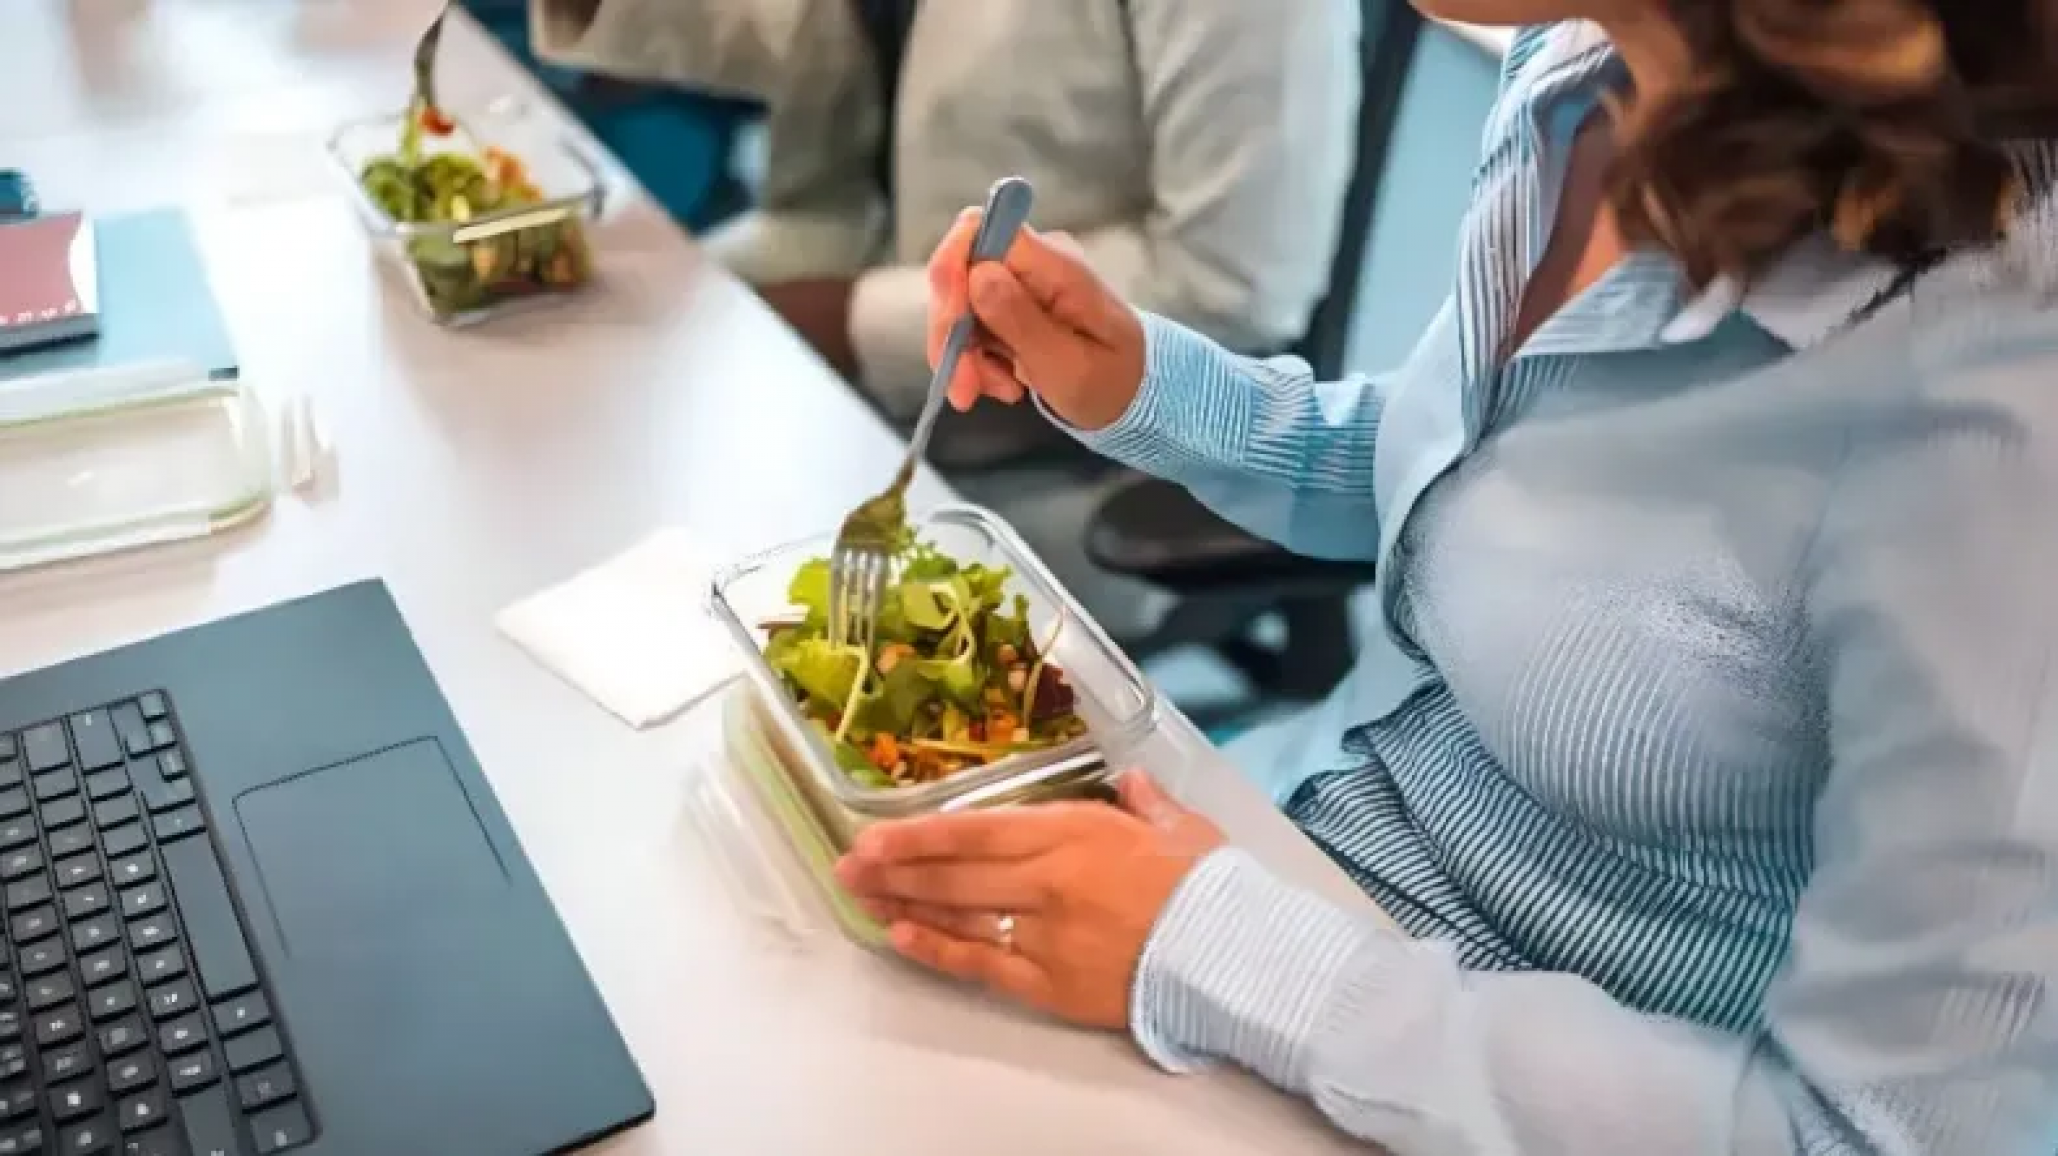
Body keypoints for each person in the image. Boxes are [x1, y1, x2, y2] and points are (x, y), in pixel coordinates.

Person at [832, 7, 2058, 1154]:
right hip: (1276, 865)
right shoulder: (1573, 79)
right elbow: (1486, 499)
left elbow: (1870, 1133)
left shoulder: (1994, 406)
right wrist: (1147, 384)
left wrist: (1230, 948)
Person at [535, 0, 1361, 416]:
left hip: (1050, 425)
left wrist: (852, 321)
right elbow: (834, 34)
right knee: (567, 359)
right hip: (855, 241)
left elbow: (1232, 285)